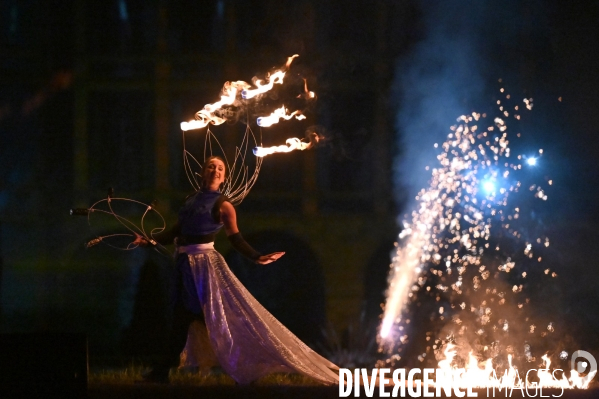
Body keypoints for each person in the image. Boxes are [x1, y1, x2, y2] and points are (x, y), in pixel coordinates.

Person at [138, 156, 339, 385]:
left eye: (220, 168)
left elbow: (236, 238)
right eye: (211, 166)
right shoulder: (191, 200)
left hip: (204, 266)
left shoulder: (223, 205)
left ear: (223, 177)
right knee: (182, 320)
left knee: (209, 319)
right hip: (184, 266)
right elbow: (175, 231)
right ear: (202, 173)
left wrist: (257, 256)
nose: (215, 170)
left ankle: (245, 366)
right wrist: (148, 241)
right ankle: (162, 372)